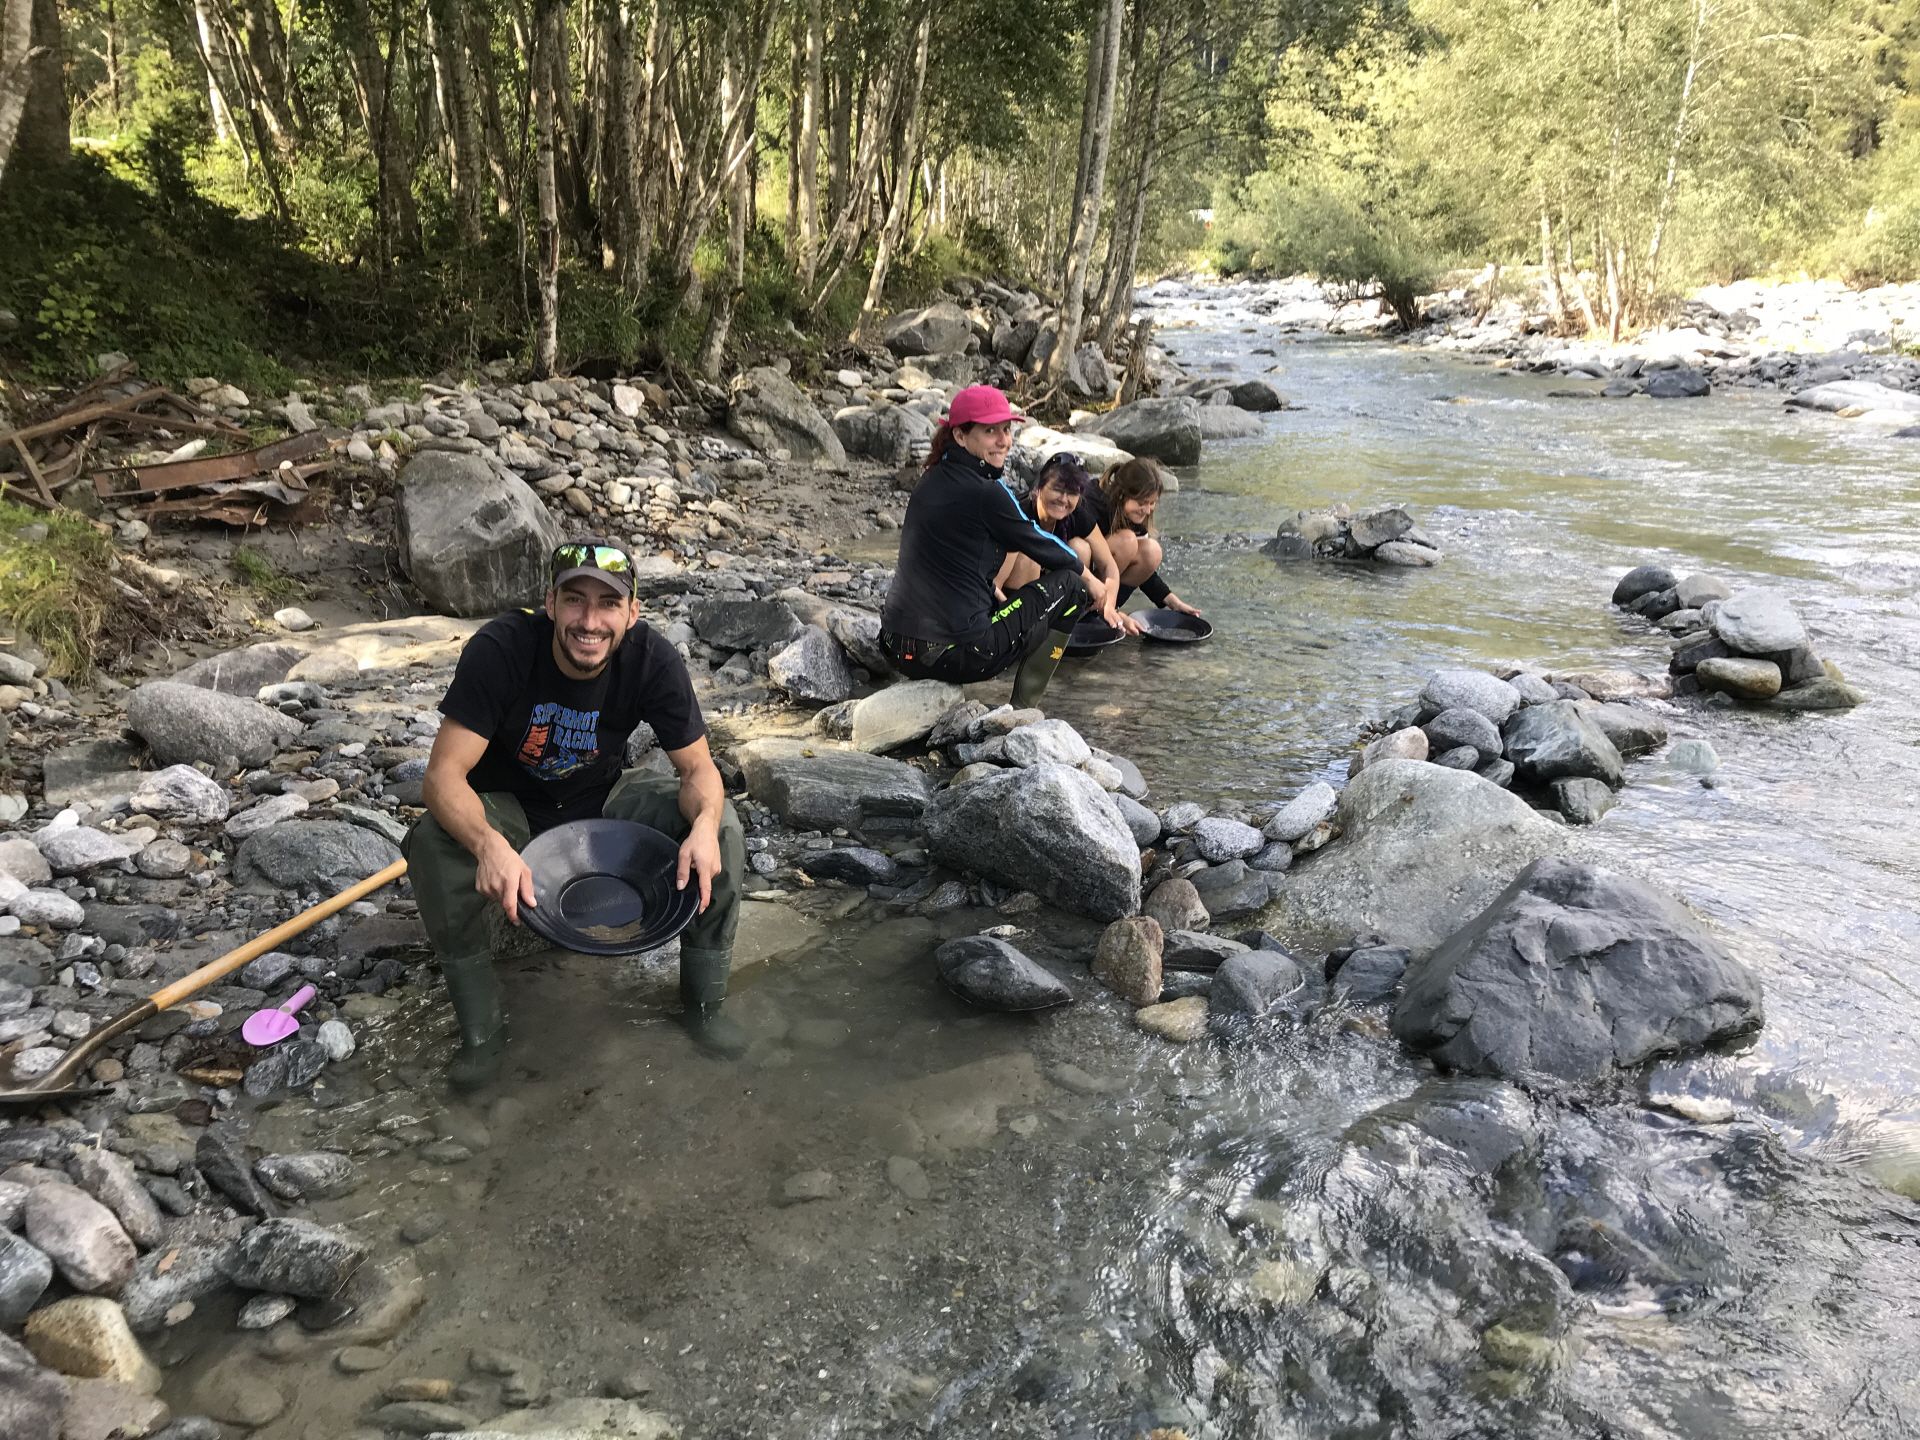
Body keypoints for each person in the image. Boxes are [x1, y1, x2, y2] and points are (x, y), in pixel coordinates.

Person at [406, 539, 748, 1089]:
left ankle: (704, 1009)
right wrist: (489, 847)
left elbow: (699, 772)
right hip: (511, 810)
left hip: (601, 804)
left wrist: (704, 827)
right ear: (550, 603)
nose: (590, 621)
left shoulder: (652, 659)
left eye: (608, 604)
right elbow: (442, 777)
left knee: (723, 830)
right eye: (574, 600)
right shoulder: (502, 648)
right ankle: (481, 1035)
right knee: (433, 842)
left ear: (631, 613)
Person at [881, 385, 1095, 705]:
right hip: (957, 655)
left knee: (1000, 601)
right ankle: (1023, 708)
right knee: (1072, 585)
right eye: (990, 430)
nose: (1004, 441)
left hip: (895, 646)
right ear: (960, 436)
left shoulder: (931, 478)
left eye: (1006, 430)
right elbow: (1044, 544)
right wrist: (1093, 582)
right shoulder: (987, 491)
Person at [992, 452, 1134, 633]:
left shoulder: (1078, 515)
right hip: (1009, 600)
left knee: (1079, 548)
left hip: (1046, 595)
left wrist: (1109, 607)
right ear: (1038, 489)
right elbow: (994, 586)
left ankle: (1067, 618)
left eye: (1072, 493)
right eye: (1057, 489)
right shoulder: (1019, 513)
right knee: (1029, 558)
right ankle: (1024, 628)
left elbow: (1109, 566)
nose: (1064, 499)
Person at [1088, 457, 1204, 619]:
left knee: (1151, 551)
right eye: (1143, 503)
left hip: (1105, 584)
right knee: (1126, 541)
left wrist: (1172, 601)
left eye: (1152, 503)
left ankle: (1103, 611)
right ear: (1122, 495)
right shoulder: (1092, 502)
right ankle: (1088, 605)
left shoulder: (1135, 517)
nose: (1148, 510)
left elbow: (1146, 574)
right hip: (1080, 579)